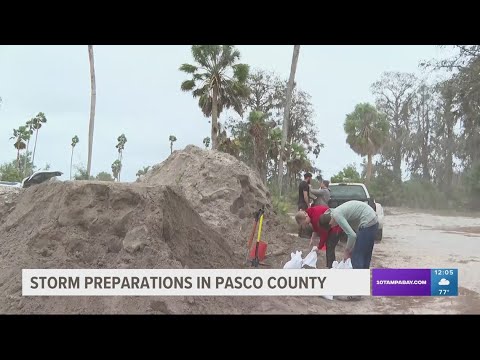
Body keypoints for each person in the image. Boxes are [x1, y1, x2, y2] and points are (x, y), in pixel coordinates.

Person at [319, 200, 378, 269]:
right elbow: (354, 233)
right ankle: (363, 278)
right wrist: (351, 248)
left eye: (331, 226)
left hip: (367, 222)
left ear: (329, 223)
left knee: (357, 258)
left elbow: (352, 235)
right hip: (372, 221)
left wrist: (346, 251)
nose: (334, 226)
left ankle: (358, 278)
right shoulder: (334, 212)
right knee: (365, 256)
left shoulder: (336, 215)